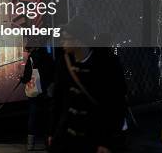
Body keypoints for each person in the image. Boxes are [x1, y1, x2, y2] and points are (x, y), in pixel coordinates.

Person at [49, 20, 127, 153]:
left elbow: (116, 105)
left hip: (93, 139)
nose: (62, 42)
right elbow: (58, 100)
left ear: (79, 41)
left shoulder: (108, 65)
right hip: (65, 137)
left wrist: (106, 142)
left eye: (66, 38)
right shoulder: (64, 62)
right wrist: (52, 132)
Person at [21, 45, 55, 151]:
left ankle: (30, 145)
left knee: (33, 116)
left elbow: (27, 76)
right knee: (47, 117)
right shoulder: (49, 57)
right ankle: (47, 143)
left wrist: (22, 79)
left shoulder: (32, 57)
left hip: (35, 92)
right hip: (46, 92)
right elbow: (54, 74)